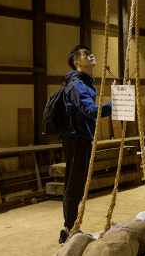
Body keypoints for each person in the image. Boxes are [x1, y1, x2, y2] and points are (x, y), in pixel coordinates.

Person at [58, 45, 112, 244]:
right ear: (76, 62)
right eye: (84, 54)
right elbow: (90, 110)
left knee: (77, 185)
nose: (90, 55)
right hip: (76, 140)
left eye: (91, 52)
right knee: (74, 186)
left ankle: (70, 229)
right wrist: (114, 106)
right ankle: (69, 230)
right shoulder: (76, 85)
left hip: (81, 138)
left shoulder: (86, 83)